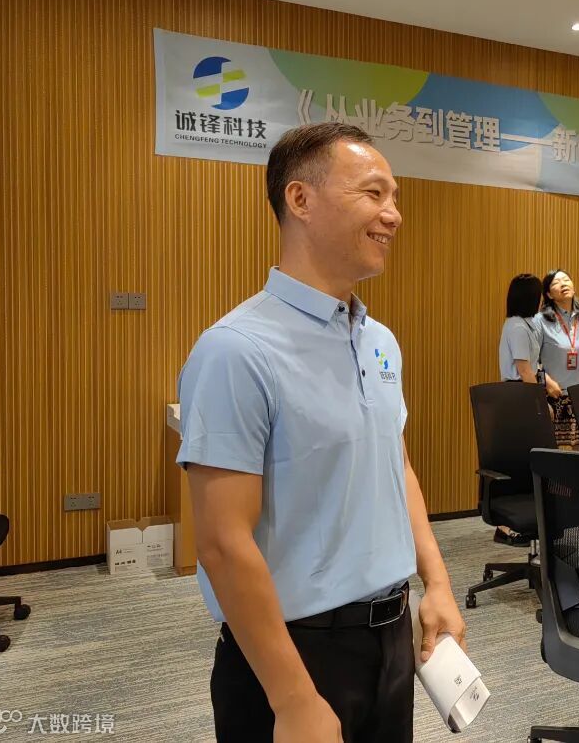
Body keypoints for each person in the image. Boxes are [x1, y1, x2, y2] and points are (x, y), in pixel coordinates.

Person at [176, 122, 466, 743]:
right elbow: (222, 543)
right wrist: (293, 699)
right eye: (373, 193)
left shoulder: (379, 341)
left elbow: (397, 467)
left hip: (390, 641)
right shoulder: (236, 349)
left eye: (394, 197)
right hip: (290, 655)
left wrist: (437, 584)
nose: (393, 215)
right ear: (300, 199)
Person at [495, 272, 545, 546]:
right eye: (539, 296)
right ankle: (505, 525)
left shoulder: (528, 324)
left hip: (524, 391)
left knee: (527, 457)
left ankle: (525, 520)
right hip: (518, 394)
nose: (542, 301)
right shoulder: (516, 327)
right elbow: (524, 370)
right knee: (515, 458)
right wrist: (541, 403)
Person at [536, 269, 579, 447]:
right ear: (549, 294)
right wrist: (546, 382)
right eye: (556, 282)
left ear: (573, 287)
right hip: (553, 396)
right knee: (555, 453)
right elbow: (531, 360)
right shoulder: (540, 320)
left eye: (566, 280)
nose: (563, 284)